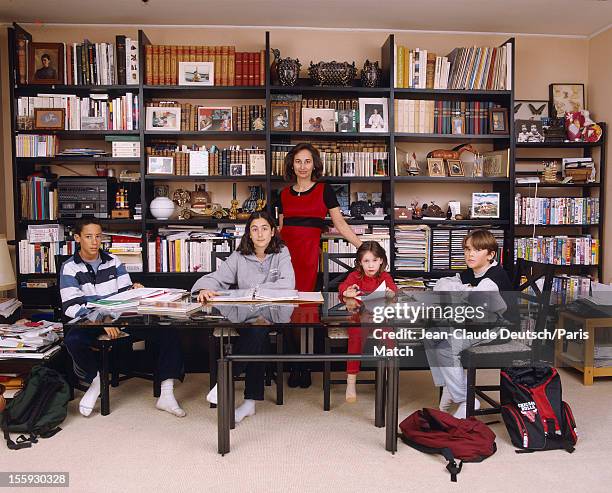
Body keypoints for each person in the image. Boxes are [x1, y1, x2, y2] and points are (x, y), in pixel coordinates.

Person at [60, 219, 186, 418]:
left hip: (120, 318)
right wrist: (102, 321)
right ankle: (95, 380)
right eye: (88, 236)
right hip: (90, 322)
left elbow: (125, 295)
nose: (94, 241)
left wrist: (135, 292)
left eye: (98, 236)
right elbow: (71, 306)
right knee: (72, 341)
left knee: (168, 331)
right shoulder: (69, 268)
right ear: (77, 238)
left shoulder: (114, 261)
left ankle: (167, 394)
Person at [191, 211, 295, 423]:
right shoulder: (239, 257)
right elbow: (216, 279)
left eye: (265, 228)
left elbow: (288, 284)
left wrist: (257, 289)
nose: (260, 233)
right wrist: (204, 288)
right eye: (254, 229)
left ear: (273, 231)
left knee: (259, 332)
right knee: (257, 333)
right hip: (245, 316)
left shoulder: (281, 252)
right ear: (248, 233)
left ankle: (226, 384)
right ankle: (249, 402)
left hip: (275, 314)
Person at [277, 143, 363, 387]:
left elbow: (340, 224)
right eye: (298, 161)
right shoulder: (283, 194)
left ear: (314, 164)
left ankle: (305, 365)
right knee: (285, 308)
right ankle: (294, 364)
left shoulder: (325, 191)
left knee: (305, 309)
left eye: (307, 161)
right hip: (284, 257)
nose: (302, 166)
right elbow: (280, 229)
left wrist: (362, 246)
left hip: (307, 257)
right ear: (291, 165)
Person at [427, 229, 513, 418]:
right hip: (475, 325)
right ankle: (452, 387)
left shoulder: (495, 276)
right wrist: (466, 289)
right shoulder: (471, 273)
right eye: (467, 249)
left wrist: (463, 292)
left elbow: (475, 299)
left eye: (477, 250)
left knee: (445, 347)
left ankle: (465, 399)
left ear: (491, 255)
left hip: (499, 330)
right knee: (431, 335)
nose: (470, 254)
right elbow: (440, 285)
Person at [338, 241, 397, 402]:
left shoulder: (385, 276)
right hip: (359, 318)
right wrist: (347, 292)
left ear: (381, 261)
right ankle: (351, 382)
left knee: (389, 336)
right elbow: (342, 289)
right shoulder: (355, 276)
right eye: (366, 261)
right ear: (360, 263)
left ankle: (388, 376)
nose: (371, 265)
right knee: (355, 336)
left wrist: (391, 294)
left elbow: (394, 291)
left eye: (374, 260)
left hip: (379, 317)